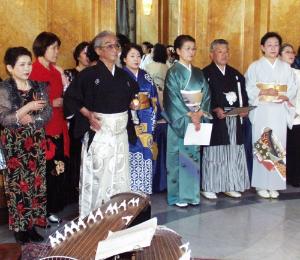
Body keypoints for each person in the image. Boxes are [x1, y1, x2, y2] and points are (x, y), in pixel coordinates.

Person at [64, 31, 138, 217]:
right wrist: (88, 114)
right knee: (99, 178)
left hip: (119, 135)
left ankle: (118, 219)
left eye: (117, 45)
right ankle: (94, 220)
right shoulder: (88, 75)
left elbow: (132, 97)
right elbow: (71, 98)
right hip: (100, 134)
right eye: (109, 45)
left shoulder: (124, 76)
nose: (115, 49)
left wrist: (133, 103)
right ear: (98, 50)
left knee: (120, 179)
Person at [0, 47, 51, 243]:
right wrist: (26, 109)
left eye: (29, 63)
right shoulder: (4, 88)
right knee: (17, 186)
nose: (27, 68)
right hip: (15, 144)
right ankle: (20, 229)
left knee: (36, 184)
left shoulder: (38, 86)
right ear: (10, 68)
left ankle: (32, 226)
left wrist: (35, 121)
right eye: (22, 64)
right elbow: (4, 119)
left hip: (36, 142)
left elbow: (47, 113)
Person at [245, 32, 297, 199]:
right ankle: (261, 184)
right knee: (263, 142)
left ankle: (274, 184)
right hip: (262, 109)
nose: (273, 48)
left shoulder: (286, 68)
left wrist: (286, 95)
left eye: (276, 45)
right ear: (262, 47)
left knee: (278, 144)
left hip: (279, 110)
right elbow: (249, 88)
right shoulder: (255, 66)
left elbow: (293, 87)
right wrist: (262, 91)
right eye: (269, 45)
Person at [163, 35, 211, 207]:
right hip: (181, 119)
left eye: (193, 48)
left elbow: (206, 93)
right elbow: (171, 98)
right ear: (178, 51)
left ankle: (191, 195)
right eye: (187, 48)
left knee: (192, 156)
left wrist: (200, 112)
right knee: (177, 157)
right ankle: (177, 196)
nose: (191, 52)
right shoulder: (173, 72)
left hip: (196, 118)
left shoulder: (198, 72)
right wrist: (189, 114)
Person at [201, 39, 250, 199]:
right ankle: (209, 185)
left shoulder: (235, 75)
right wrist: (214, 108)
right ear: (212, 54)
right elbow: (202, 98)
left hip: (233, 120)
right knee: (215, 153)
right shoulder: (205, 74)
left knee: (232, 152)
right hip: (214, 121)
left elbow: (243, 97)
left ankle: (229, 184)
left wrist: (244, 109)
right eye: (220, 51)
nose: (224, 54)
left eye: (226, 51)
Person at [29, 32, 69, 223]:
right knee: (43, 172)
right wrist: (51, 102)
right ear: (42, 48)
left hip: (58, 126)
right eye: (53, 48)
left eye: (57, 48)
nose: (56, 52)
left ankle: (51, 208)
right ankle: (40, 212)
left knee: (57, 171)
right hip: (41, 129)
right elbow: (26, 101)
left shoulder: (55, 71)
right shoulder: (33, 71)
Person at [121, 43, 159, 194]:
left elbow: (154, 98)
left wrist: (152, 112)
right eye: (132, 56)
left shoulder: (146, 76)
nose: (136, 59)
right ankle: (127, 191)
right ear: (124, 58)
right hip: (128, 120)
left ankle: (143, 189)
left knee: (145, 150)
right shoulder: (120, 75)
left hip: (146, 118)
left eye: (138, 56)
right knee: (129, 150)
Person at [63, 42, 90, 204]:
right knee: (75, 155)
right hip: (75, 120)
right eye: (84, 53)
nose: (87, 56)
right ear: (78, 55)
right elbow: (68, 99)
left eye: (89, 53)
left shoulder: (95, 73)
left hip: (92, 119)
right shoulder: (69, 73)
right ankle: (74, 189)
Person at [280, 43, 300, 187]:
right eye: (287, 52)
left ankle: (294, 177)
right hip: (279, 115)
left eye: (292, 52)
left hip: (297, 116)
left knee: (295, 148)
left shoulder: (297, 73)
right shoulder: (275, 73)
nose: (291, 54)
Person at [145, 43, 169, 111]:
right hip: (165, 94)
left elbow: (146, 80)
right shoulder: (167, 66)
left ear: (156, 53)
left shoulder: (150, 66)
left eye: (153, 50)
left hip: (154, 95)